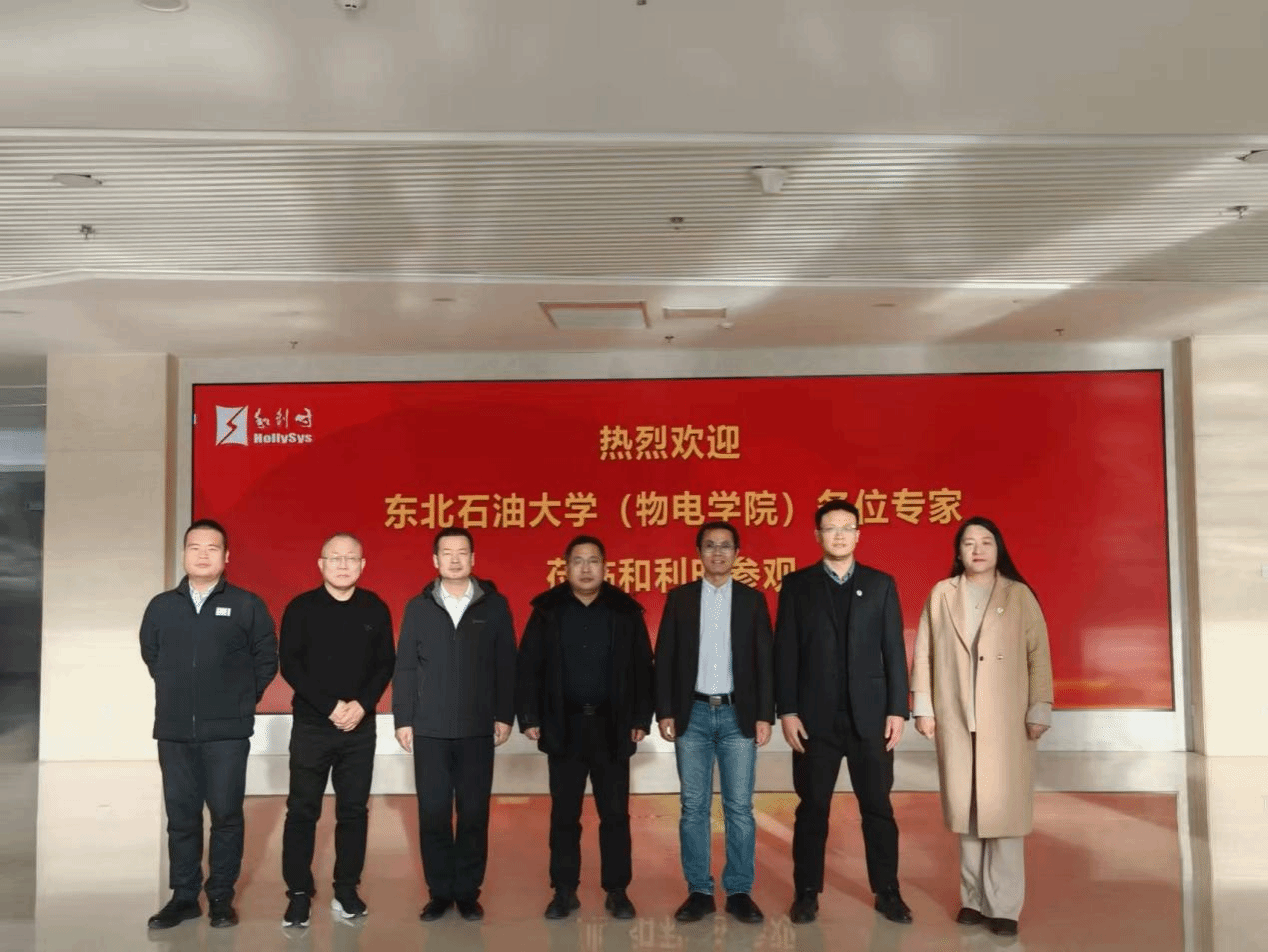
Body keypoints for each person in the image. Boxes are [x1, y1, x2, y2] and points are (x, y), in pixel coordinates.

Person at [910, 516, 1053, 938]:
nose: (977, 549)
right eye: (969, 542)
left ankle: (1005, 905)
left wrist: (1039, 707)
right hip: (957, 714)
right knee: (967, 812)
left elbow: (1039, 654)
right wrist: (923, 706)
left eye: (986, 542)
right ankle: (972, 898)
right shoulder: (942, 594)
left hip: (1006, 718)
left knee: (1004, 813)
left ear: (998, 548)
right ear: (958, 552)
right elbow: (925, 652)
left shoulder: (1018, 594)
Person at [774, 499, 912, 925]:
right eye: (830, 528)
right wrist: (787, 710)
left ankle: (888, 891)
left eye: (846, 528)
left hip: (870, 718)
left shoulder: (880, 584)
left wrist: (897, 709)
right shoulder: (797, 585)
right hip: (814, 720)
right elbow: (786, 652)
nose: (839, 535)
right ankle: (806, 892)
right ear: (817, 535)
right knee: (812, 808)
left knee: (878, 807)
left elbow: (894, 650)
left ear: (858, 535)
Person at [139, 519, 277, 930]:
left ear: (226, 556)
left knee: (226, 815)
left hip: (227, 733)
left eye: (212, 548)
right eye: (194, 547)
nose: (203, 554)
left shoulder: (247, 605)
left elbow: (266, 658)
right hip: (175, 731)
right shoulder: (161, 606)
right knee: (181, 817)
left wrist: (240, 701)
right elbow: (152, 654)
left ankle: (220, 897)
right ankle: (184, 897)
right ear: (184, 554)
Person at [516, 535, 654, 922]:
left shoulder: (625, 610)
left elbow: (644, 668)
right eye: (578, 561)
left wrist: (641, 719)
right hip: (564, 726)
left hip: (613, 727)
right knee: (564, 815)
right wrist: (530, 717)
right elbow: (528, 667)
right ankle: (564, 890)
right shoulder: (547, 610)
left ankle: (617, 890)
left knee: (615, 814)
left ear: (605, 567)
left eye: (594, 560)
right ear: (566, 567)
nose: (586, 568)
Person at [393, 528, 516, 923]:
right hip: (429, 729)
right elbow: (405, 666)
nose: (455, 559)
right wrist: (403, 719)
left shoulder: (494, 606)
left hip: (477, 728)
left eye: (463, 552)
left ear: (473, 559)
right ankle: (439, 893)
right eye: (447, 553)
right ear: (435, 561)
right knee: (432, 813)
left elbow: (506, 665)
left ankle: (467, 893)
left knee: (474, 813)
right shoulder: (418, 607)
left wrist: (504, 714)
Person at [655, 522, 774, 925]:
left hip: (739, 715)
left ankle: (739, 890)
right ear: (699, 553)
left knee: (739, 807)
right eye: (710, 546)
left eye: (725, 546)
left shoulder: (753, 601)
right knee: (693, 807)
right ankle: (699, 891)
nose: (718, 552)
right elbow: (665, 657)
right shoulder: (681, 599)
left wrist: (764, 714)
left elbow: (764, 661)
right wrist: (665, 710)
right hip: (694, 715)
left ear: (737, 553)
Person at [278, 533, 395, 927]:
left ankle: (346, 889)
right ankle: (298, 893)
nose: (343, 565)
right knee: (302, 810)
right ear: (321, 563)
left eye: (351, 558)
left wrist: (362, 705)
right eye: (335, 558)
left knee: (354, 811)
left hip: (359, 727)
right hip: (313, 726)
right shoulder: (301, 608)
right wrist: (330, 707)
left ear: (363, 565)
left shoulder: (375, 607)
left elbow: (385, 663)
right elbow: (290, 665)